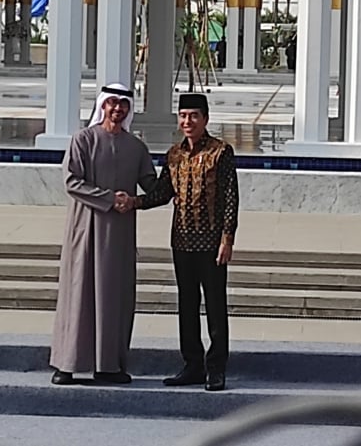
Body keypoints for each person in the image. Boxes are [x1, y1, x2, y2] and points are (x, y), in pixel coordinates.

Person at [49, 83, 158, 386]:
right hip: (85, 230)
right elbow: (72, 181)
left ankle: (108, 365)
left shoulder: (136, 147)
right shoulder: (83, 140)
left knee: (114, 297)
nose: (117, 109)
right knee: (78, 293)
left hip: (119, 236)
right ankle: (67, 364)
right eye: (112, 103)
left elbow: (152, 184)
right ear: (102, 106)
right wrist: (111, 199)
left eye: (123, 104)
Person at [129, 92, 239, 392]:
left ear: (205, 119)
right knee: (187, 305)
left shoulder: (221, 152)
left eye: (194, 116)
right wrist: (134, 202)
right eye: (183, 116)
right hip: (182, 241)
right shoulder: (174, 155)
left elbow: (230, 198)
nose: (187, 121)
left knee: (215, 306)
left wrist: (227, 238)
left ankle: (216, 368)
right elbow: (162, 193)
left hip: (211, 242)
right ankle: (192, 364)